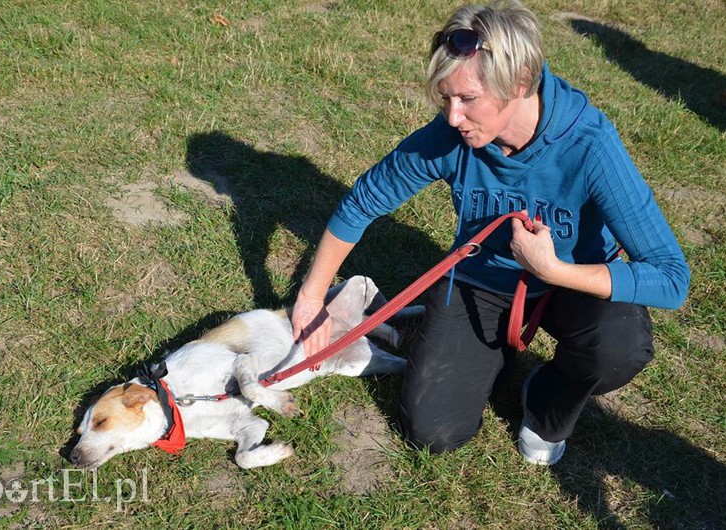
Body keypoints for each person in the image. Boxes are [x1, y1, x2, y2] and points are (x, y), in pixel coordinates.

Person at [290, 0, 690, 465]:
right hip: (482, 283)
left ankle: (546, 402)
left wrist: (553, 269)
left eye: (467, 99)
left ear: (519, 84)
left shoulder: (590, 144)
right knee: (431, 430)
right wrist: (311, 298)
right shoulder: (451, 135)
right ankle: (489, 357)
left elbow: (671, 277)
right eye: (446, 99)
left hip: (573, 283)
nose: (454, 117)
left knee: (619, 346)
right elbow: (363, 201)